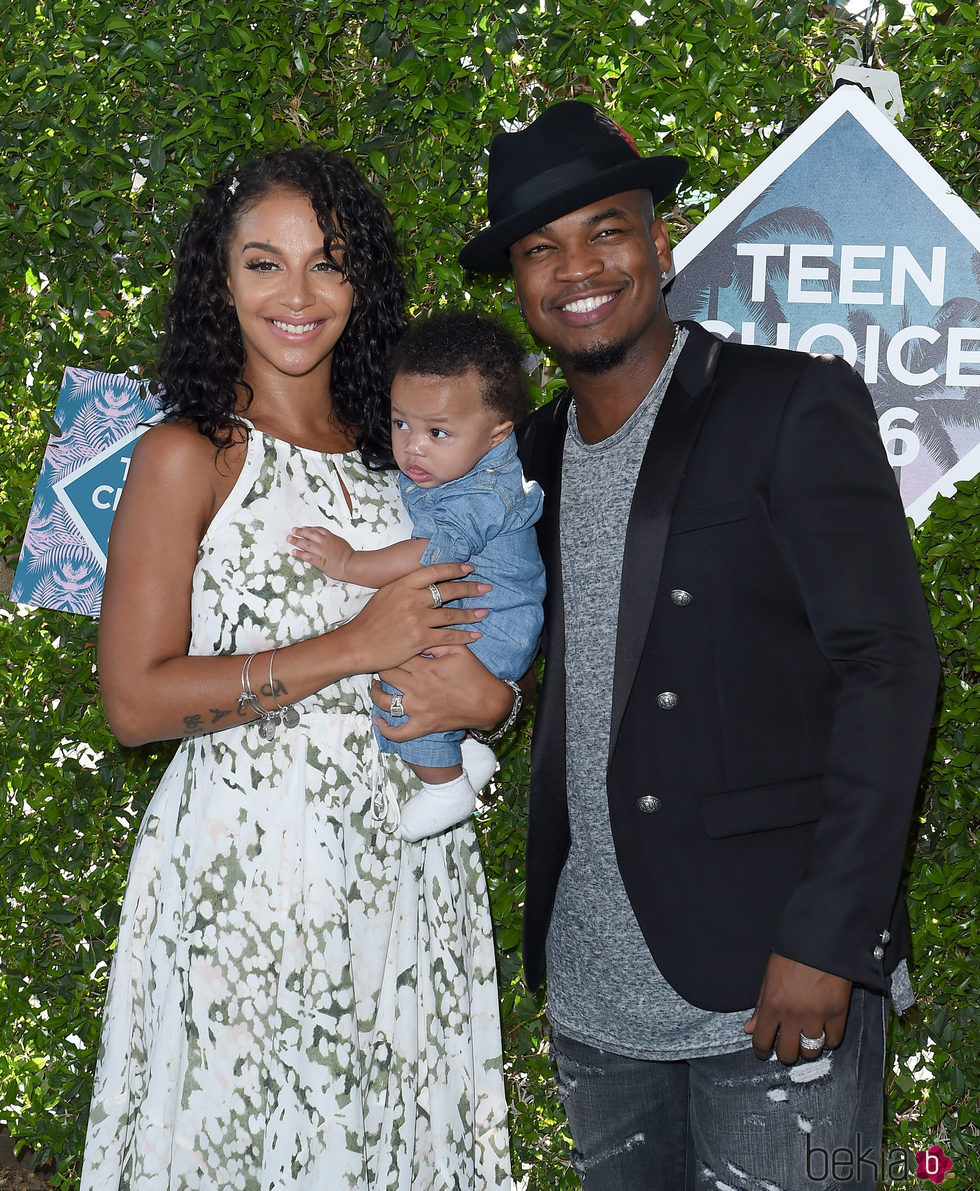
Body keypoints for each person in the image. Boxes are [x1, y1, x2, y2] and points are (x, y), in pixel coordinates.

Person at [457, 100, 940, 1189]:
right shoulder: (520, 461)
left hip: (772, 978)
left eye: (604, 230)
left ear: (659, 244)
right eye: (539, 249)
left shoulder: (784, 404)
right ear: (519, 284)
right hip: (592, 999)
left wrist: (829, 937)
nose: (575, 267)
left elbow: (889, 666)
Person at [83, 147, 513, 1190]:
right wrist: (348, 651)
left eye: (326, 263)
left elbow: (485, 624)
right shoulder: (189, 453)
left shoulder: (404, 454)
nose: (297, 295)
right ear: (219, 282)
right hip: (243, 877)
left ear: (360, 281)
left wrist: (492, 701)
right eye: (263, 264)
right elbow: (135, 701)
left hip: (404, 869)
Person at [288, 311, 545, 843]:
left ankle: (445, 786)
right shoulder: (468, 463)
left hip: (491, 626)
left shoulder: (482, 492)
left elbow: (435, 553)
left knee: (402, 686)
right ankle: (466, 754)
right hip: (490, 616)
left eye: (437, 432)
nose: (414, 446)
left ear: (498, 433)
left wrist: (348, 564)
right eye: (401, 422)